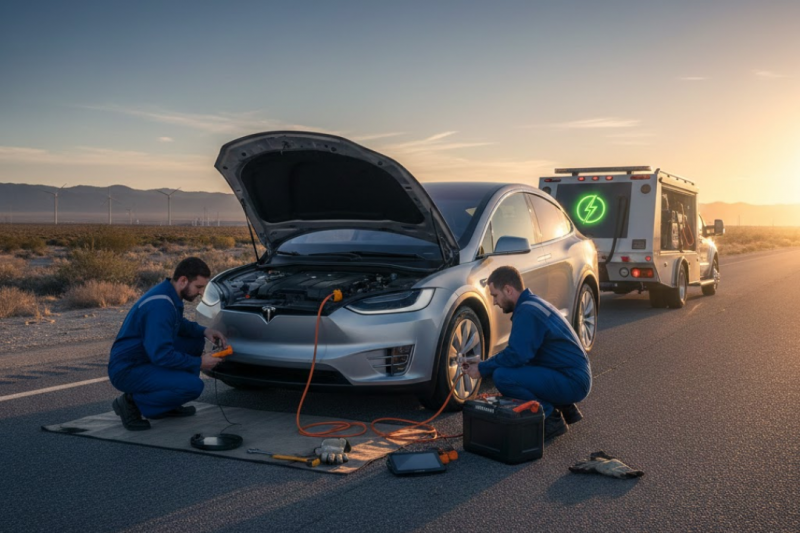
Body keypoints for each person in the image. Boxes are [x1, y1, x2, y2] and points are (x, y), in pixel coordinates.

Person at [464, 265, 592, 441]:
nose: (494, 302)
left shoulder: (527, 311)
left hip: (573, 381)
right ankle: (564, 406)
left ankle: (549, 417)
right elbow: (520, 353)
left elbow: (516, 355)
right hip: (571, 375)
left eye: (495, 295)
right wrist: (484, 363)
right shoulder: (531, 304)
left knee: (502, 376)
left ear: (508, 290)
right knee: (513, 367)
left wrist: (483, 368)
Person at [108, 257, 227, 431]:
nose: (201, 293)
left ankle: (168, 402)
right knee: (193, 387)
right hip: (129, 369)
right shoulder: (161, 306)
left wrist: (205, 331)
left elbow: (178, 323)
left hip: (145, 357)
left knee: (194, 340)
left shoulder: (169, 293)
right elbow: (162, 355)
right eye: (199, 287)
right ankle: (130, 402)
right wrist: (200, 362)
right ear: (183, 280)